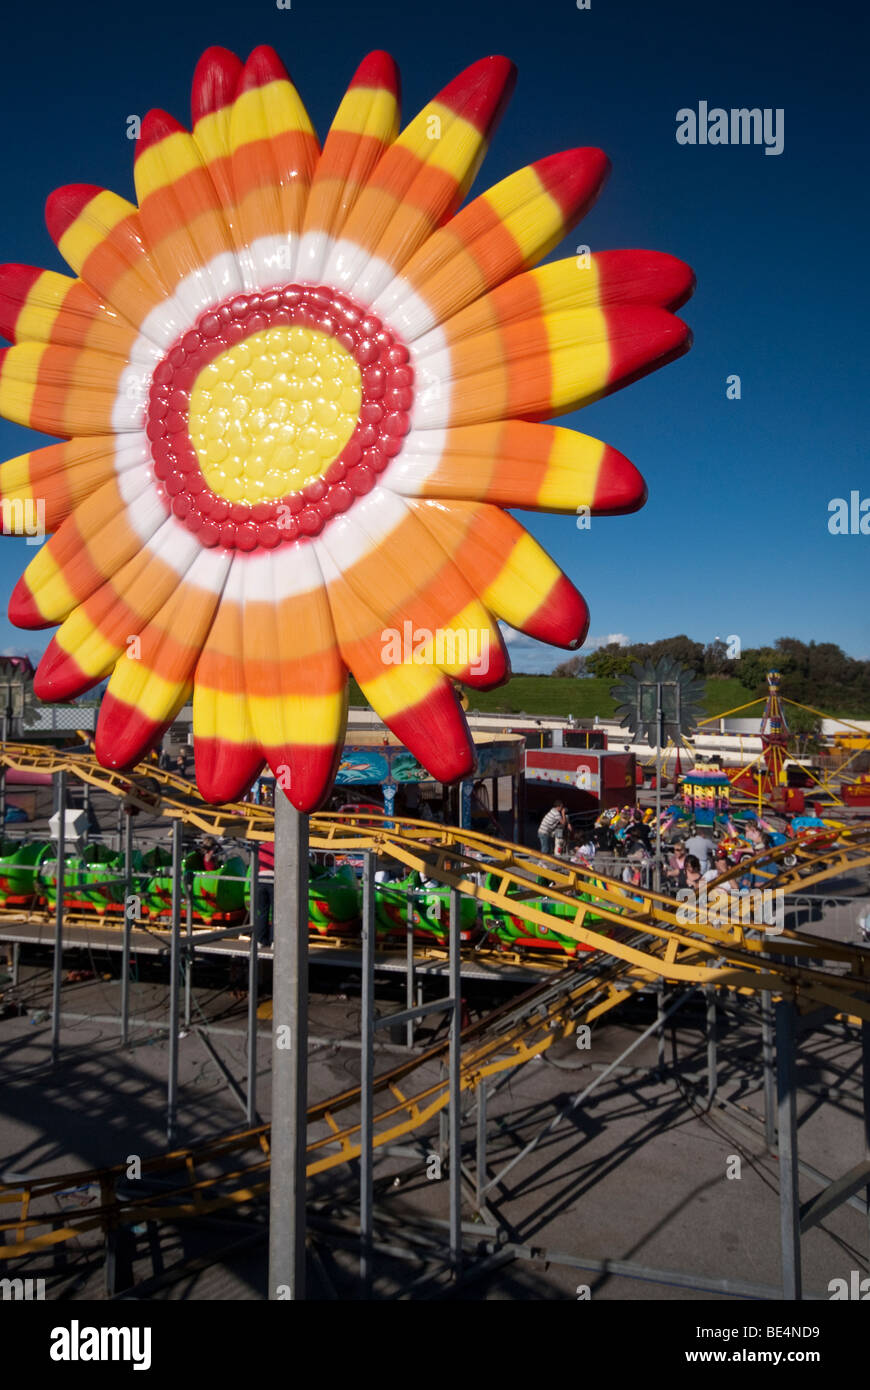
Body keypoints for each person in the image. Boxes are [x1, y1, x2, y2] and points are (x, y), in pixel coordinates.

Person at [253, 840, 274, 947]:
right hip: (274, 879)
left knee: (262, 912)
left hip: (260, 879)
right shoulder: (279, 845)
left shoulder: (262, 847)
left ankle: (260, 940)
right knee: (276, 913)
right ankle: (274, 941)